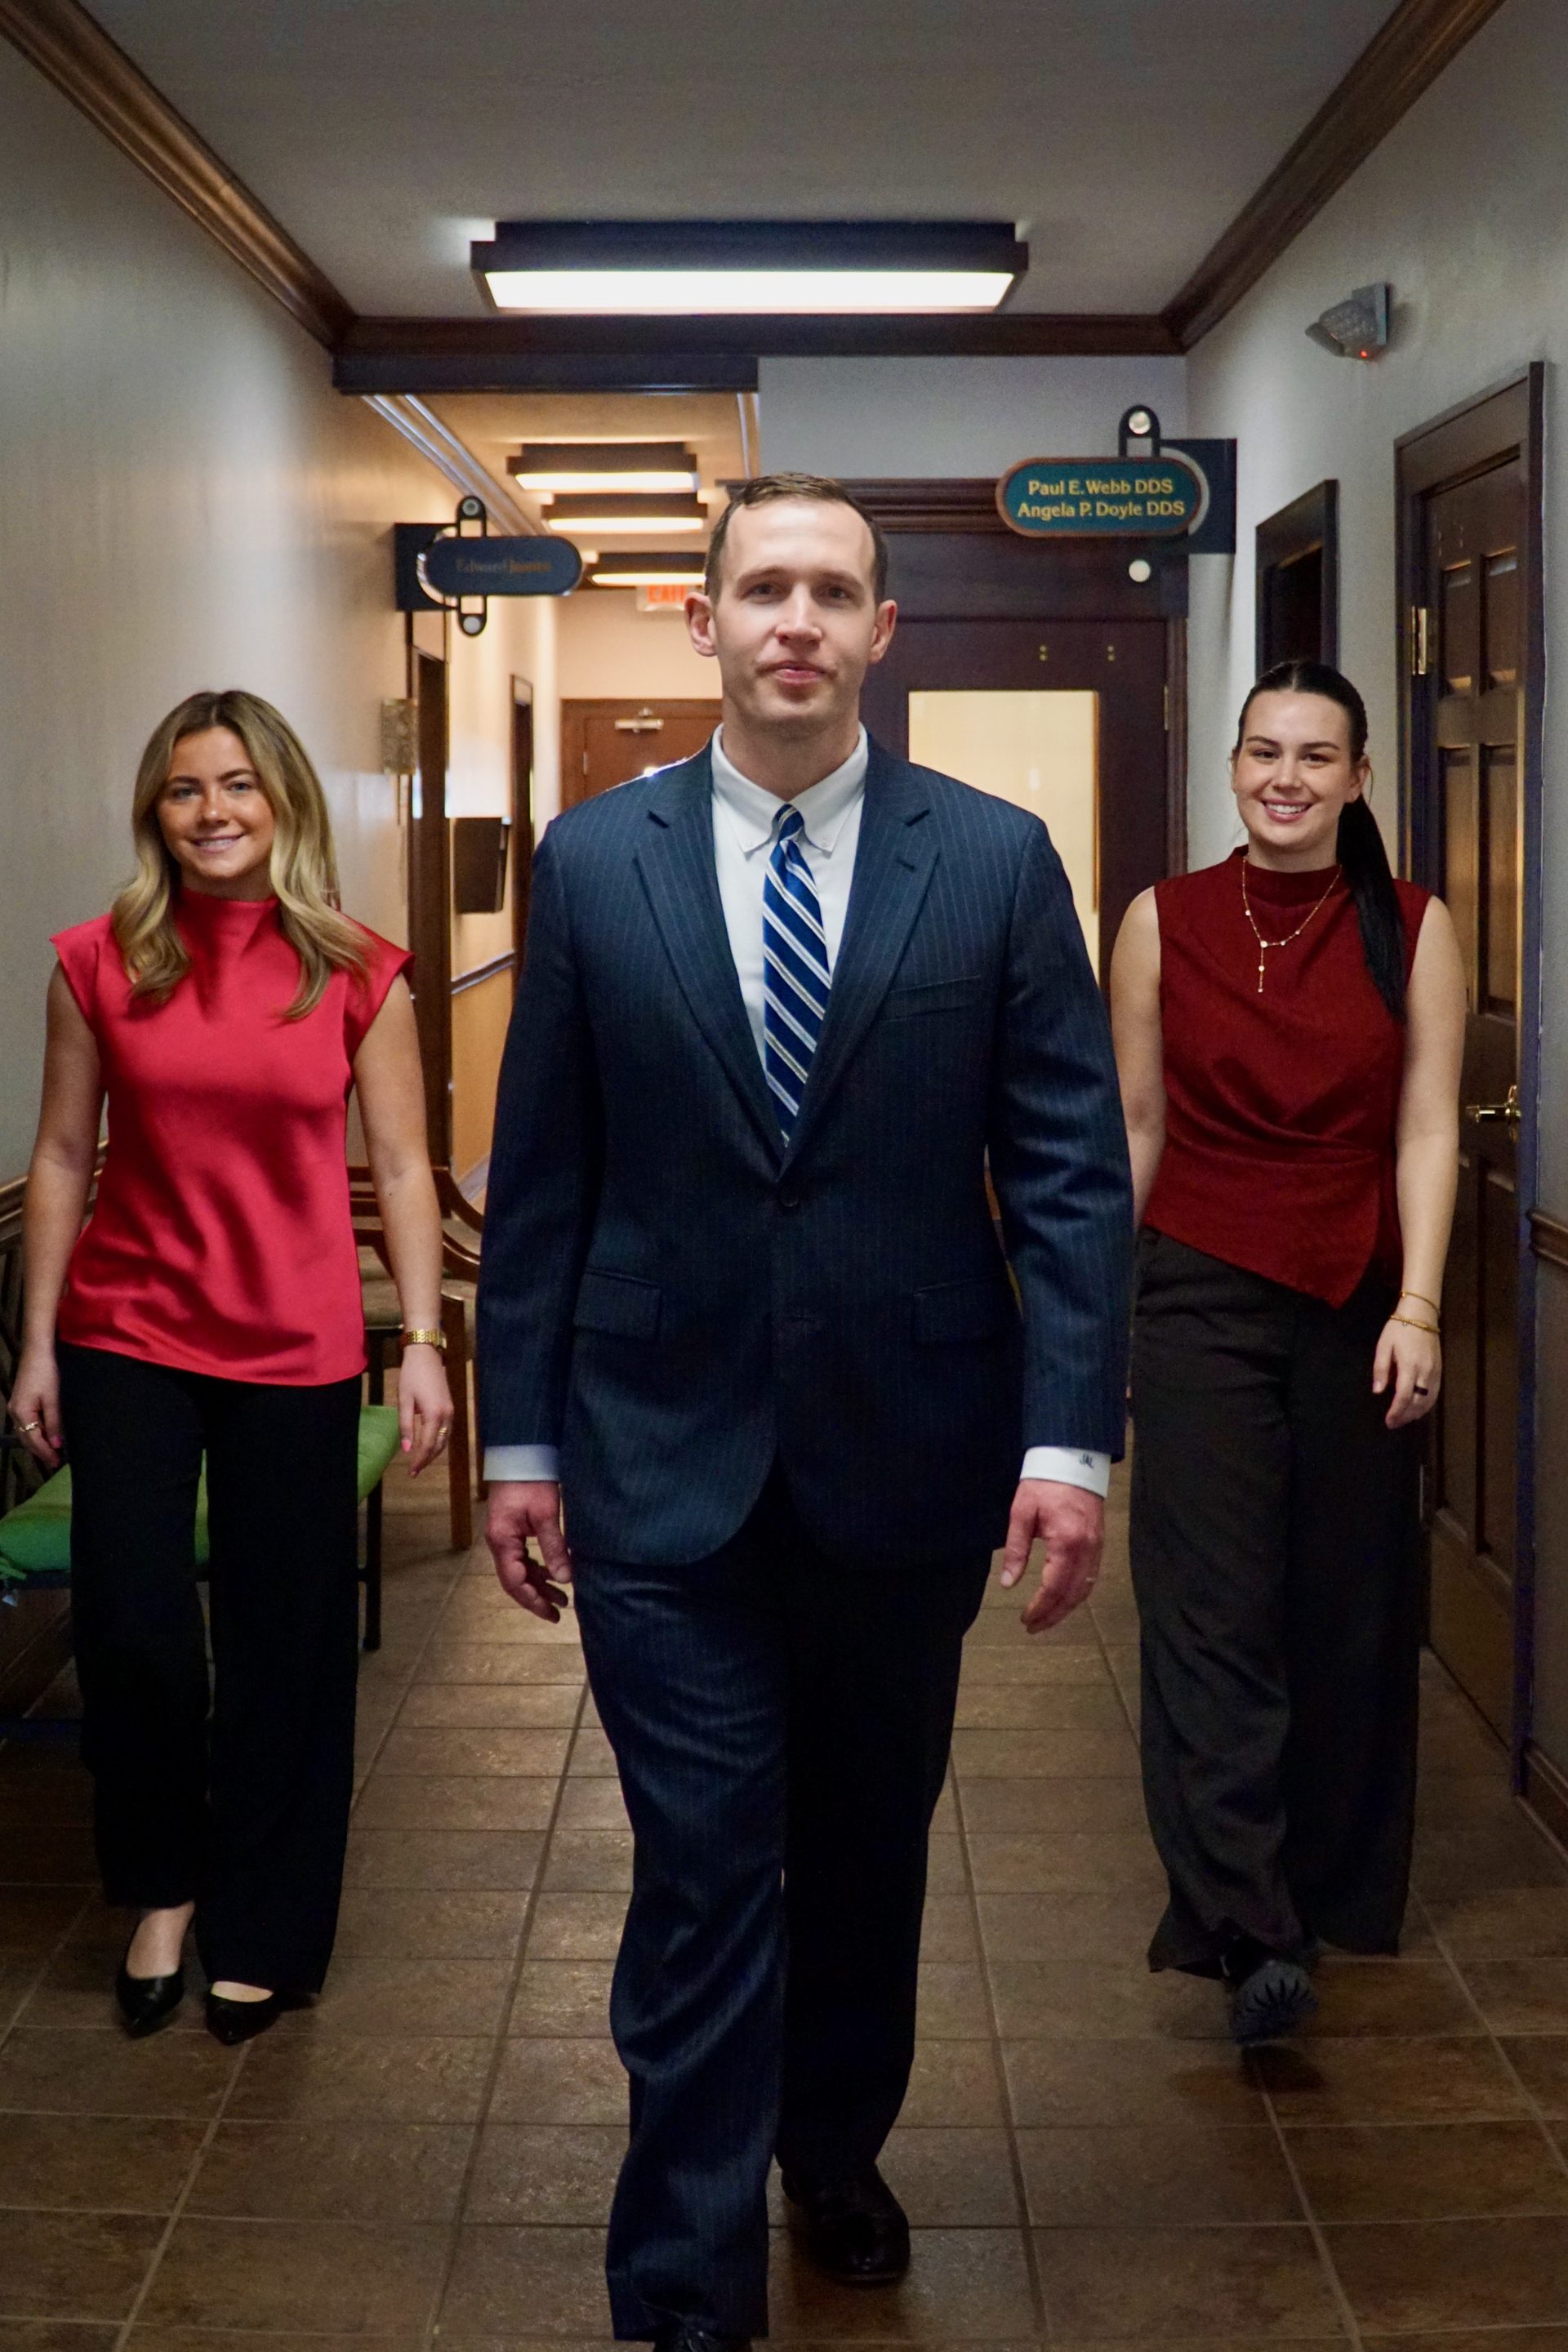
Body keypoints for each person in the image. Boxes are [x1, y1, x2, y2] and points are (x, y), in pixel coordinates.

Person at [478, 472, 1133, 2352]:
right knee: (704, 1873)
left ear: (879, 633)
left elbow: (1071, 1174)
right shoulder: (594, 863)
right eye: (763, 588)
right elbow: (545, 1178)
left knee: (860, 1849)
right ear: (705, 621)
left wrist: (1067, 1442)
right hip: (655, 1453)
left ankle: (832, 2144)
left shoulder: (992, 862)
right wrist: (523, 1442)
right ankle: (685, 2294)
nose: (796, 621)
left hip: (906, 1460)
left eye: (832, 593)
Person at [6, 688, 452, 2045]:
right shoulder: (98, 962)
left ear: (285, 804)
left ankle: (266, 1921)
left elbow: (402, 1167)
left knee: (286, 1640)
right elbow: (62, 1157)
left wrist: (422, 1340)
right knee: (134, 1627)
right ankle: (161, 1888)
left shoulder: (357, 971)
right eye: (187, 787)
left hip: (296, 1346)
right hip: (127, 1336)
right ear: (157, 811)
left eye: (240, 784)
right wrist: (38, 1341)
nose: (214, 811)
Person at [1110, 657, 1466, 2047]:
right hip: (1195, 1292)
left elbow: (1426, 1128)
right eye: (1265, 751)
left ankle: (1326, 1886)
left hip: (1356, 1301)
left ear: (1360, 779)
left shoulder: (1413, 926)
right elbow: (1138, 1125)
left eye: (1318, 757)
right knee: (1209, 1611)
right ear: (1234, 766)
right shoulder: (1162, 920)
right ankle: (1248, 1925)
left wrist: (1420, 1307)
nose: (1287, 779)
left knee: (1342, 1606)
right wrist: (1095, 1318)